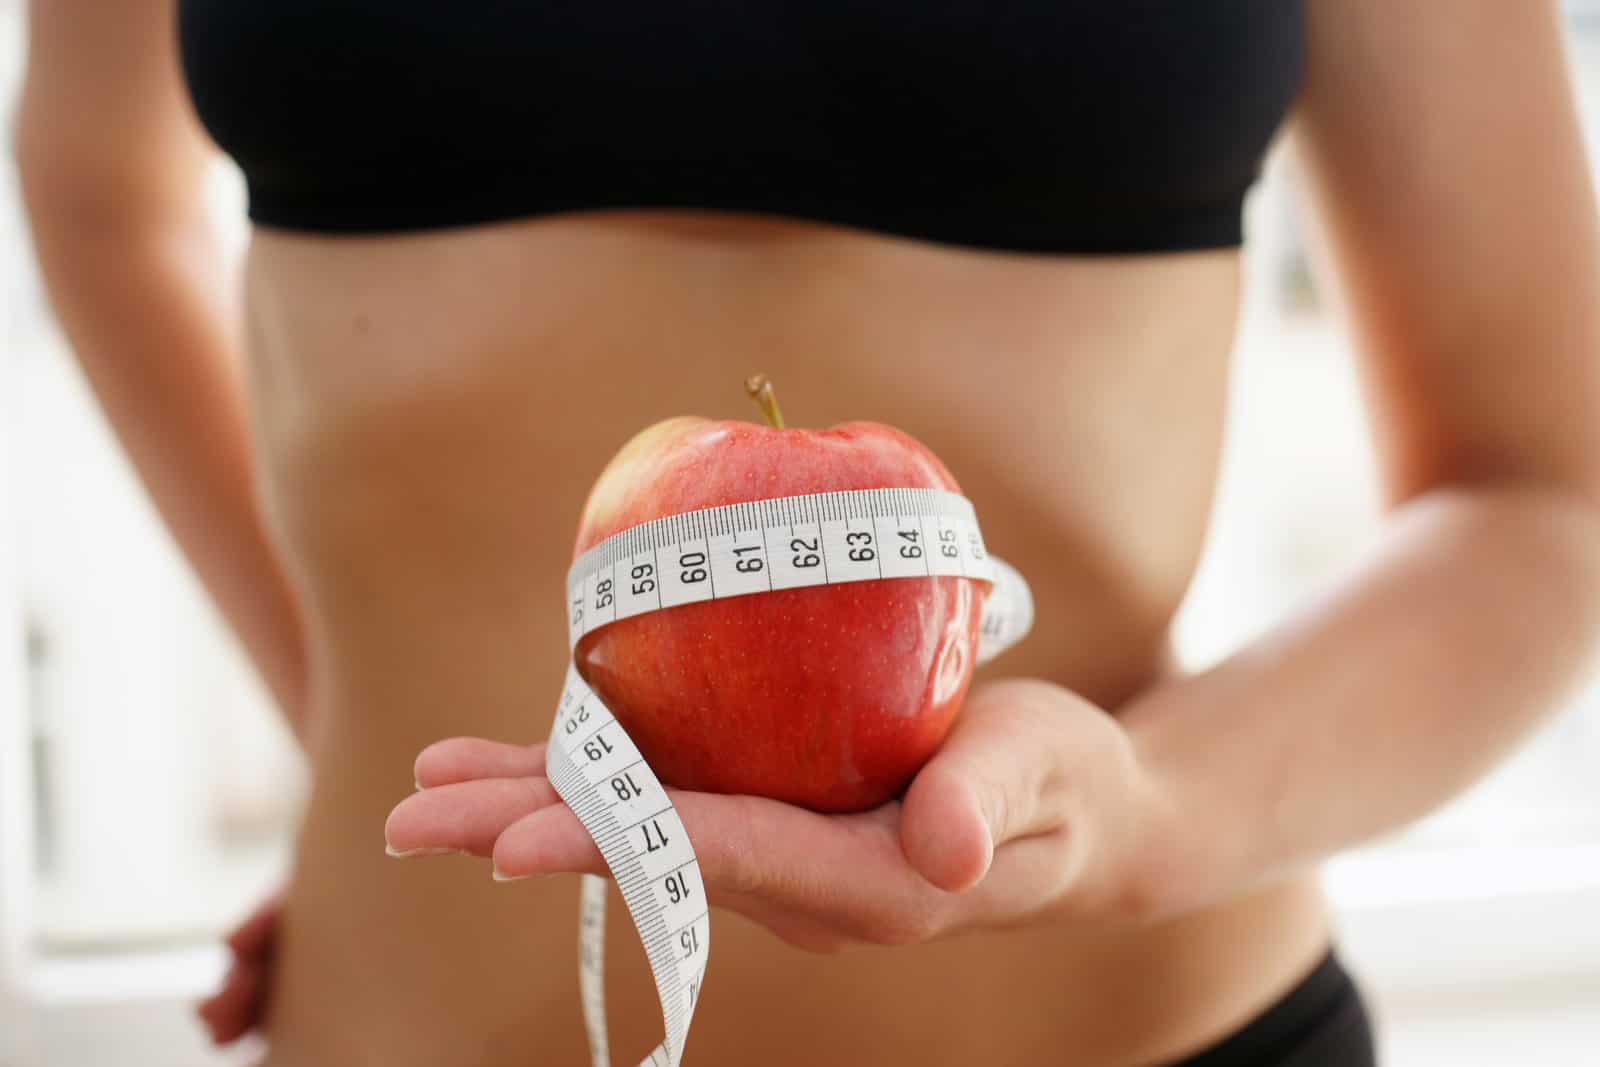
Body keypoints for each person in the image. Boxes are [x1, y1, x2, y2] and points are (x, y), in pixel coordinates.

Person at [16, 1, 1600, 1063]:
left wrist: (1135, 808)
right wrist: (392, 751)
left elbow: (1540, 492)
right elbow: (96, 186)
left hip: (1147, 1025)